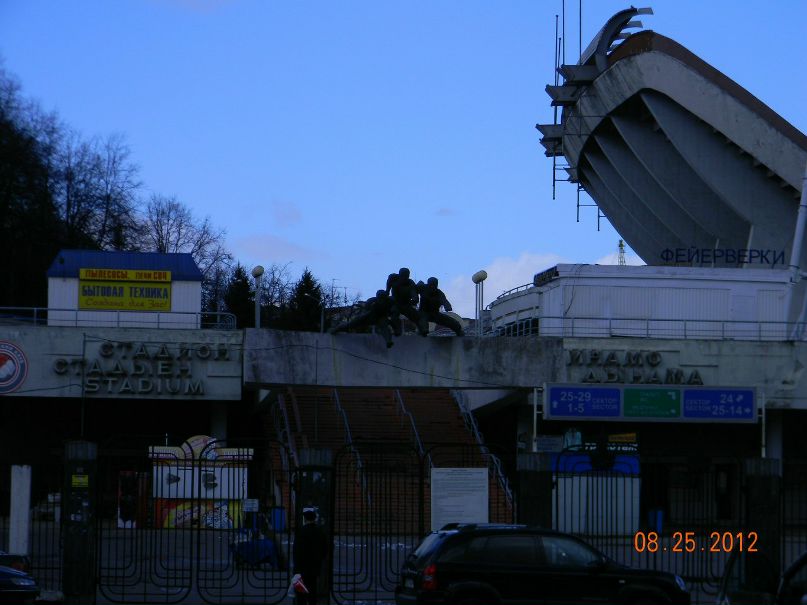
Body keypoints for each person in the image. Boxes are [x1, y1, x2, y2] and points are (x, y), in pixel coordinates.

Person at [330, 290, 395, 347]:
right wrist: (364, 316)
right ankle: (338, 328)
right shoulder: (372, 301)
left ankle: (388, 341)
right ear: (378, 298)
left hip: (380, 318)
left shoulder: (389, 301)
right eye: (380, 298)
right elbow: (365, 312)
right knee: (350, 325)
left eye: (383, 298)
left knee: (384, 327)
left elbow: (393, 309)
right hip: (368, 317)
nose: (382, 300)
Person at [292, 507, 328, 605]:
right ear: (314, 518)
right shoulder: (320, 532)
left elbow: (296, 550)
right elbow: (325, 550)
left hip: (302, 566)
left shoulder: (301, 532)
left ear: (305, 519)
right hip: (314, 566)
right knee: (312, 588)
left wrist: (296, 566)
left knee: (301, 591)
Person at [386, 267, 426, 336]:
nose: (404, 277)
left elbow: (414, 295)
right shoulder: (394, 278)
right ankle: (397, 330)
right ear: (399, 274)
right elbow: (389, 283)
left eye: (406, 275)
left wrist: (414, 300)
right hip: (395, 302)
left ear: (408, 276)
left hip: (405, 304)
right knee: (394, 314)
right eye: (403, 275)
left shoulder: (410, 283)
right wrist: (387, 291)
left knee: (416, 317)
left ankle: (422, 330)